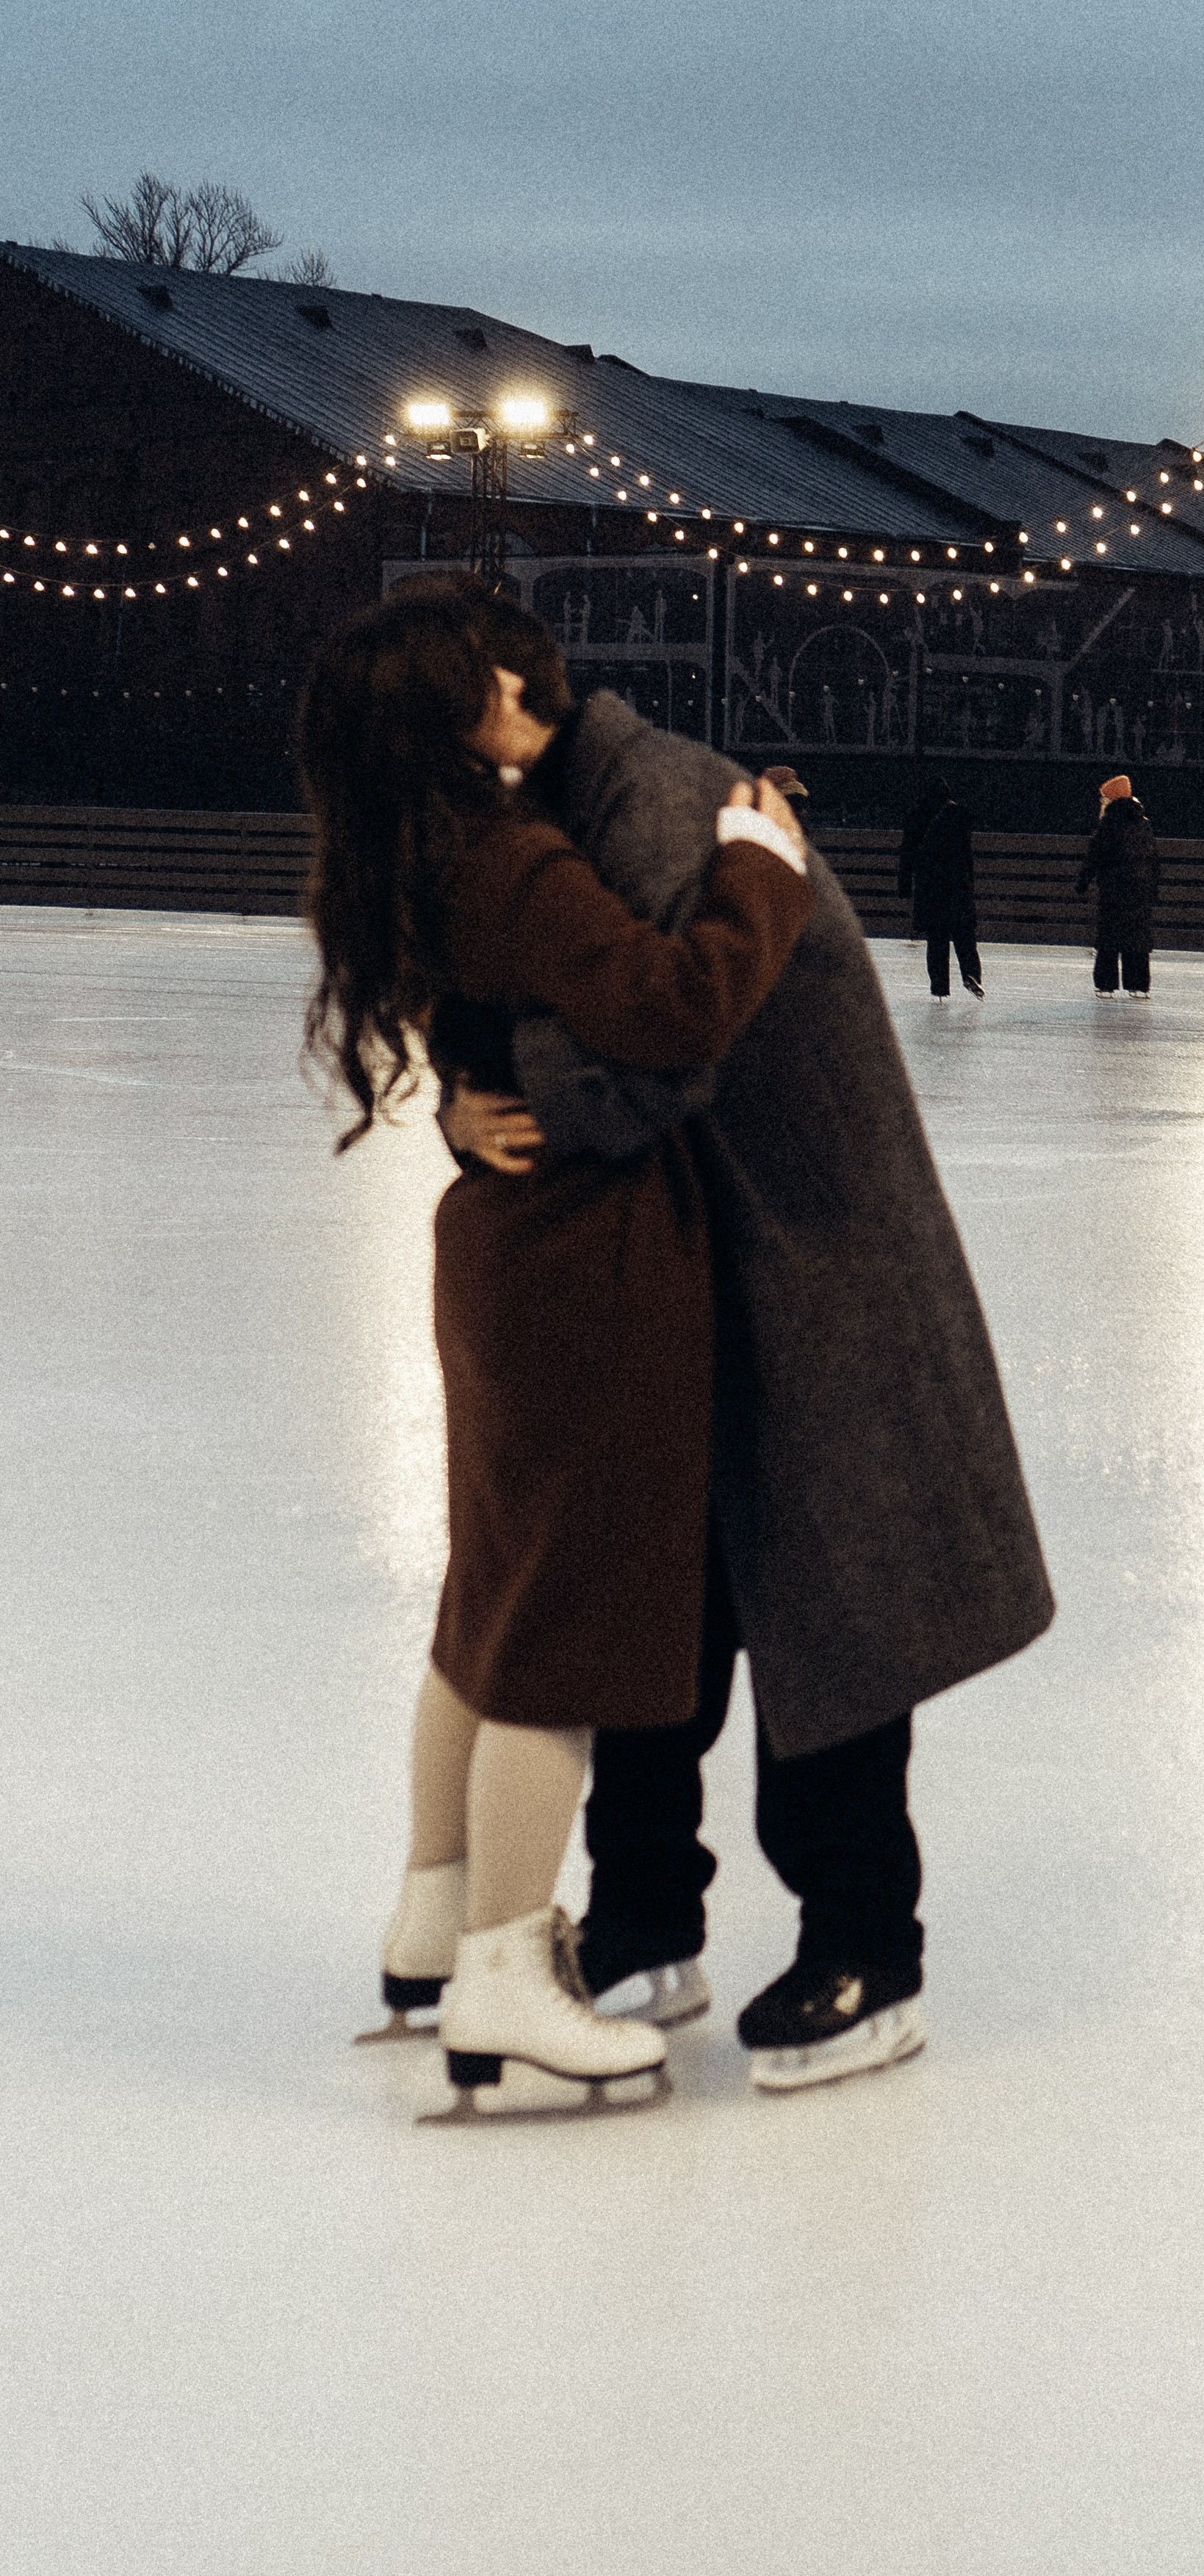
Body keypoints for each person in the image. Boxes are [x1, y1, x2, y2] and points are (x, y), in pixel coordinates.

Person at [430, 590, 1055, 2091]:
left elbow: (664, 1043)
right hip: (689, 1258)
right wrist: (468, 1101)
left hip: (813, 1256)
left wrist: (499, 1092)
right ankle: (648, 1922)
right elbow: (526, 994)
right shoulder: (563, 812)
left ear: (514, 691)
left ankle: (868, 1947)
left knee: (828, 1612)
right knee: (656, 1606)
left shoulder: (656, 810)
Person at [298, 582, 812, 2112]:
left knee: (490, 1596)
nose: (540, 692)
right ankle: (509, 1970)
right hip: (584, 1268)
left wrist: (465, 1095)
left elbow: (477, 1027)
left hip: (499, 1263)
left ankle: (436, 1901)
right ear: (479, 711)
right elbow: (674, 1004)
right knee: (560, 1634)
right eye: (512, 679)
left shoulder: (416, 855)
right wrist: (760, 865)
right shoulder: (514, 859)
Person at [898, 776, 983, 998]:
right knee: (964, 935)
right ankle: (971, 974)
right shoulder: (958, 816)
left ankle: (939, 986)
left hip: (930, 886)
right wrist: (969, 883)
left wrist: (905, 883)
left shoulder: (917, 816)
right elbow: (966, 855)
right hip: (957, 885)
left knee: (936, 939)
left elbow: (907, 852)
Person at [1076, 774, 1158, 997]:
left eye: (1104, 799)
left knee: (1109, 939)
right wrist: (1154, 890)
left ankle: (1105, 985)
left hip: (1113, 891)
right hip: (1139, 891)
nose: (1102, 803)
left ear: (1112, 800)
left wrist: (1083, 882)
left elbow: (1095, 856)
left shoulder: (1108, 824)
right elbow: (1153, 860)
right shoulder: (1144, 825)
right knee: (1137, 939)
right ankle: (1138, 986)